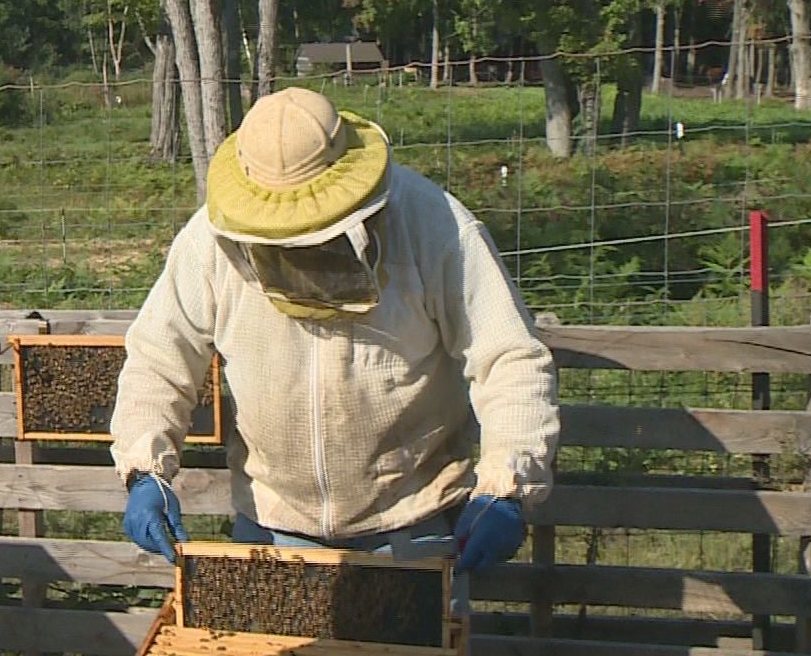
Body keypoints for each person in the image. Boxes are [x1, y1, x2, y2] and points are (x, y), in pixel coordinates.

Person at [111, 87, 559, 570]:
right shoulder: (208, 242)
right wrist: (145, 470)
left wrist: (507, 484)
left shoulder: (435, 227)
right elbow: (160, 356)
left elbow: (508, 359)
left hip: (415, 524)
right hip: (271, 523)